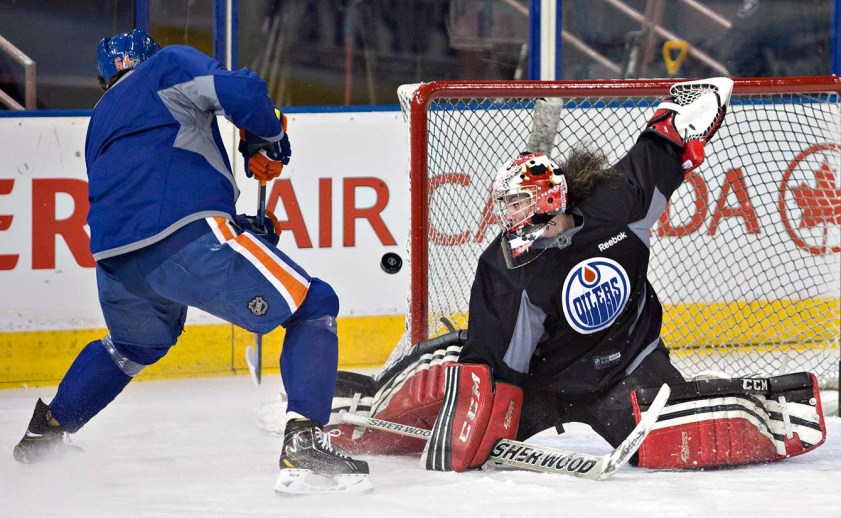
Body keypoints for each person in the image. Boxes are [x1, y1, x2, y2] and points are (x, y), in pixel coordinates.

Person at [325, 77, 827, 471]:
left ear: (547, 197)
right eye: (505, 204)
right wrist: (476, 428)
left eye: (517, 201)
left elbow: (662, 147)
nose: (508, 214)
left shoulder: (617, 206)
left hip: (630, 367)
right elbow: (498, 363)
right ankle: (369, 406)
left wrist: (682, 114)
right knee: (457, 363)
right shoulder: (504, 267)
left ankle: (771, 405)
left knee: (664, 442)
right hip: (541, 385)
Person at [12, 28, 371, 495]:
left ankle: (46, 434)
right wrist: (265, 136)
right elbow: (245, 90)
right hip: (185, 237)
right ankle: (304, 444)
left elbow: (146, 192)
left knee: (133, 347)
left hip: (116, 261)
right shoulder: (169, 67)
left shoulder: (100, 116)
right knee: (314, 303)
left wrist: (236, 227)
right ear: (150, 55)